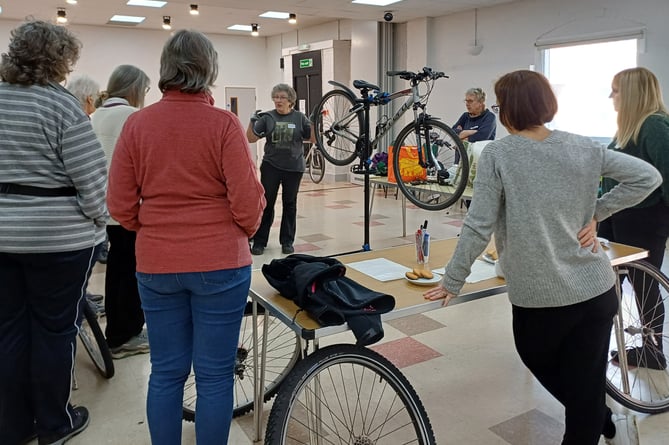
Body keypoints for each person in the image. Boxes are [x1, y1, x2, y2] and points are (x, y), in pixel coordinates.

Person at [424, 70, 661, 445]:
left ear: (507, 111)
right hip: (596, 291)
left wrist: (453, 279)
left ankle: (602, 419)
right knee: (583, 387)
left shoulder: (500, 153)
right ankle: (606, 420)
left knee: (561, 379)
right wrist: (600, 210)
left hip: (543, 298)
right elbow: (647, 177)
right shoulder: (583, 146)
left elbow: (478, 225)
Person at [106, 29, 265, 444]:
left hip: (157, 264)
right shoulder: (224, 124)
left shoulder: (138, 125)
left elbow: (119, 203)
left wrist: (155, 229)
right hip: (221, 264)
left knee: (165, 372)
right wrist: (239, 230)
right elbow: (248, 203)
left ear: (165, 69)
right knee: (214, 376)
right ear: (208, 69)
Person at [0, 20, 108, 445]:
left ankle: (11, 426)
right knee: (53, 331)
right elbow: (92, 182)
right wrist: (98, 223)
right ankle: (54, 424)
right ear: (59, 60)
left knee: (8, 329)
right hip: (58, 242)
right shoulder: (61, 106)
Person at [598, 67, 669, 370]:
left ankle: (653, 350)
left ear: (632, 93)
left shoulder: (654, 126)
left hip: (644, 218)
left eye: (616, 90)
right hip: (619, 215)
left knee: (644, 284)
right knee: (610, 282)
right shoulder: (629, 127)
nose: (611, 96)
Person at [92, 64, 151, 359]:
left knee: (117, 266)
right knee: (131, 271)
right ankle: (123, 334)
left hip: (103, 205)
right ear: (134, 88)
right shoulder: (131, 116)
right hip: (127, 205)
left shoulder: (97, 114)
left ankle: (116, 329)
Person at [247, 83, 315, 256]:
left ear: (290, 100)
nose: (278, 100)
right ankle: (260, 241)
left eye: (282, 97)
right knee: (266, 204)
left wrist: (314, 124)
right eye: (276, 97)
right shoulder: (268, 117)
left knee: (289, 203)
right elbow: (251, 138)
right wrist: (252, 121)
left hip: (294, 167)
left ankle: (287, 242)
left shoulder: (300, 117)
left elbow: (312, 139)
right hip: (271, 166)